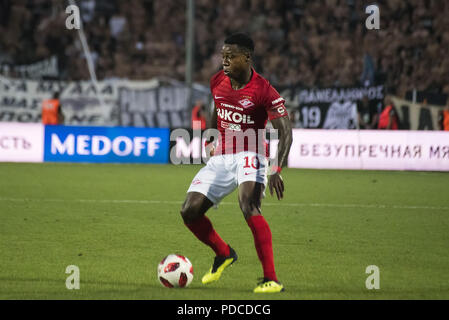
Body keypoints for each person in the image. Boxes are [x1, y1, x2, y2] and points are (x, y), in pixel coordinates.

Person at [180, 33, 292, 293]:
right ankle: (223, 253)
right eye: (223, 55)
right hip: (222, 156)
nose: (225, 60)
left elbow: (286, 132)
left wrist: (276, 167)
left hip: (252, 153)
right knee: (189, 211)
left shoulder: (264, 90)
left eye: (231, 56)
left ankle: (271, 279)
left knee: (248, 205)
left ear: (248, 57)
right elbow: (216, 108)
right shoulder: (218, 81)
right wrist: (210, 140)